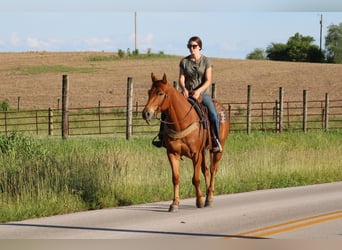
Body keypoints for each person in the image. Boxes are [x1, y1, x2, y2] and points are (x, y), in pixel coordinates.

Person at [152, 36, 222, 153]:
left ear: (200, 47)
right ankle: (162, 137)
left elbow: (208, 80)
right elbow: (181, 78)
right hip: (187, 93)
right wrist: (184, 88)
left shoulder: (206, 62)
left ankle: (216, 141)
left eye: (194, 46)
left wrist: (199, 91)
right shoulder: (184, 62)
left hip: (202, 94)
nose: (191, 48)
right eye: (189, 46)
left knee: (213, 114)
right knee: (166, 109)